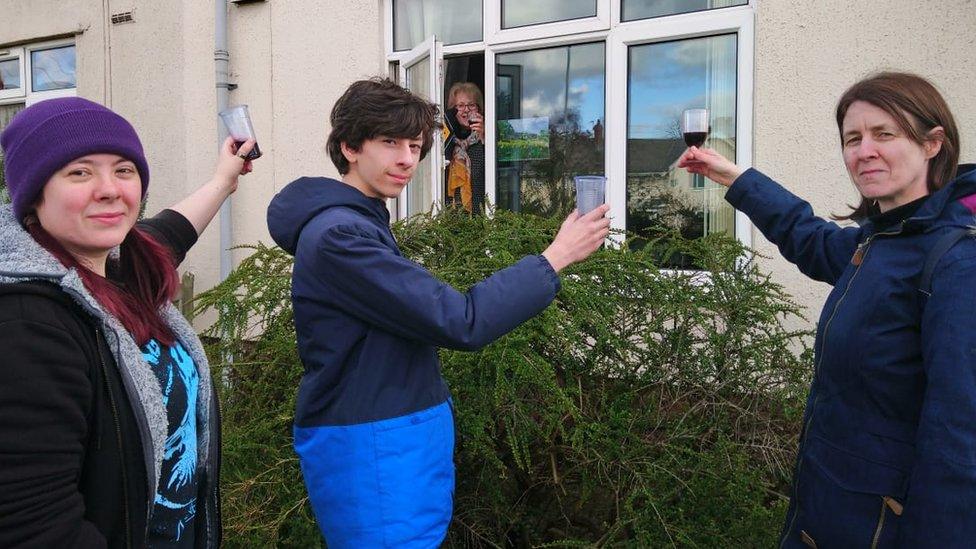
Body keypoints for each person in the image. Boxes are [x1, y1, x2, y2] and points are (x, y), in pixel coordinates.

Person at [266, 77, 610, 547]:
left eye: (414, 144)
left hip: (388, 440)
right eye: (389, 142)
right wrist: (556, 257)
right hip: (375, 449)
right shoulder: (340, 237)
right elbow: (461, 320)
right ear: (349, 147)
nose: (407, 158)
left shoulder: (359, 222)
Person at [678, 72, 976, 547]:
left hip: (880, 527)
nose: (864, 151)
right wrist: (734, 178)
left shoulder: (956, 261)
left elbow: (960, 442)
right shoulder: (882, 238)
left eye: (885, 134)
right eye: (852, 138)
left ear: (933, 143)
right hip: (830, 508)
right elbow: (811, 240)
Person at [0, 97, 255, 548]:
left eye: (124, 170)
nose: (110, 189)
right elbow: (34, 525)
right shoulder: (27, 323)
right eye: (79, 172)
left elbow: (171, 230)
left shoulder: (122, 272)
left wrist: (223, 179)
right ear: (33, 195)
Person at [443, 81, 485, 213]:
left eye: (471, 105)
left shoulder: (487, 138)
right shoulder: (447, 140)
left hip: (482, 216)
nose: (466, 110)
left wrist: (485, 136)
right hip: (452, 218)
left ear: (479, 109)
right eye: (460, 106)